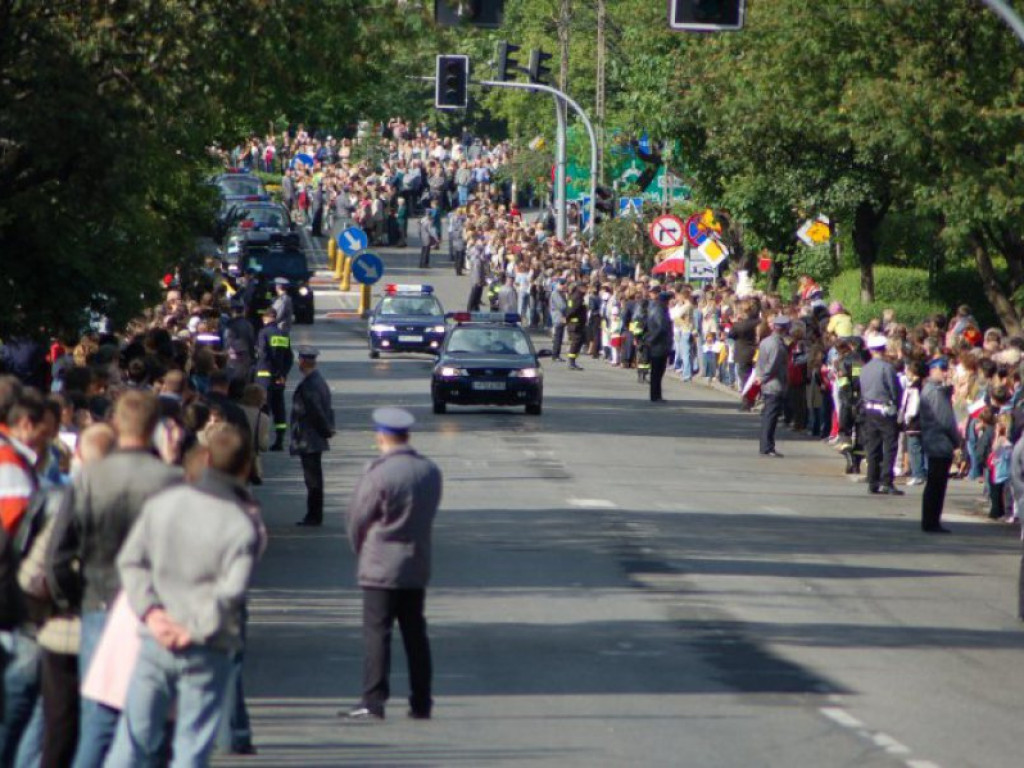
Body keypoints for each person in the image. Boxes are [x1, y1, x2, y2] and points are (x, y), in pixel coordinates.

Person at [105, 424, 259, 767]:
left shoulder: (165, 503)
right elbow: (232, 589)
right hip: (207, 642)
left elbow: (131, 560)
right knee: (192, 744)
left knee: (132, 740)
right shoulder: (239, 522)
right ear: (244, 467)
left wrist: (151, 613)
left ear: (205, 459)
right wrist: (194, 628)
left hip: (155, 637)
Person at [47, 390, 182, 768]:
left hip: (98, 599)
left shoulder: (90, 478)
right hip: (154, 607)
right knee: (153, 718)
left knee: (99, 715)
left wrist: (73, 597)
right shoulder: (169, 480)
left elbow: (59, 552)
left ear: (116, 424)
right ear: (155, 427)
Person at [342, 408, 442, 721]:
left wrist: (361, 548)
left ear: (382, 437)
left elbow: (358, 518)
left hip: (379, 565)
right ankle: (421, 701)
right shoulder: (429, 470)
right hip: (416, 561)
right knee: (415, 633)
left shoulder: (378, 473)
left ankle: (373, 700)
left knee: (377, 633)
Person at [291, 347, 335, 527]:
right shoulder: (318, 381)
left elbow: (316, 411)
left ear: (302, 362)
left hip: (309, 437)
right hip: (313, 436)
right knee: (313, 478)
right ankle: (314, 514)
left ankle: (314, 515)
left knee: (313, 480)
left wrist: (326, 430)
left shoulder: (310, 385)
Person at [920, 357, 960, 533]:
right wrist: (957, 441)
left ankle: (930, 520)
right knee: (937, 485)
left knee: (934, 484)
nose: (945, 372)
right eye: (942, 368)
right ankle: (931, 521)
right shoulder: (935, 392)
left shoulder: (932, 390)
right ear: (932, 370)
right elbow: (946, 421)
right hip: (939, 441)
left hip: (933, 439)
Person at [860, 336, 904, 495]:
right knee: (890, 446)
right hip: (885, 410)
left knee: (872, 447)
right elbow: (894, 390)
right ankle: (886, 481)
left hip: (869, 409)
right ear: (883, 349)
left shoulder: (864, 368)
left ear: (871, 351)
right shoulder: (887, 368)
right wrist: (897, 406)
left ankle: (872, 480)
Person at [254, 306, 293, 451]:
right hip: (279, 378)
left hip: (264, 376)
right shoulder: (283, 334)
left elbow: (263, 354)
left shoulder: (263, 332)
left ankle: (261, 439)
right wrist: (282, 373)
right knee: (279, 407)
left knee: (263, 408)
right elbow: (289, 357)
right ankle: (279, 440)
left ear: (267, 317)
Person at [755, 316, 790, 457]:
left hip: (767, 382)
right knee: (771, 416)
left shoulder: (765, 341)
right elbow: (772, 365)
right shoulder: (776, 344)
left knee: (768, 415)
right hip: (774, 383)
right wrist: (763, 378)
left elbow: (760, 363)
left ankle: (766, 445)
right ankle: (767, 446)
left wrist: (760, 376)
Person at [645, 289, 672, 402]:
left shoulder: (658, 309)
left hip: (659, 344)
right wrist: (651, 340)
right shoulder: (659, 311)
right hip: (658, 345)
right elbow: (661, 328)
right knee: (657, 371)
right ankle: (655, 395)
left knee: (658, 372)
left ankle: (656, 395)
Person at [565, 286, 587, 371]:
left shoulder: (574, 296)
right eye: (584, 287)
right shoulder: (578, 298)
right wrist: (567, 318)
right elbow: (573, 310)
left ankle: (573, 361)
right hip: (576, 324)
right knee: (576, 342)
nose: (586, 289)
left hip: (576, 324)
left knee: (579, 341)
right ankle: (571, 362)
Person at [549, 280, 567, 362]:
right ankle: (555, 355)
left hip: (562, 317)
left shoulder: (561, 293)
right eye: (561, 284)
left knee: (560, 337)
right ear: (557, 285)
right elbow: (562, 306)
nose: (563, 286)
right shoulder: (555, 293)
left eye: (564, 284)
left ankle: (557, 355)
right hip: (558, 317)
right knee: (558, 337)